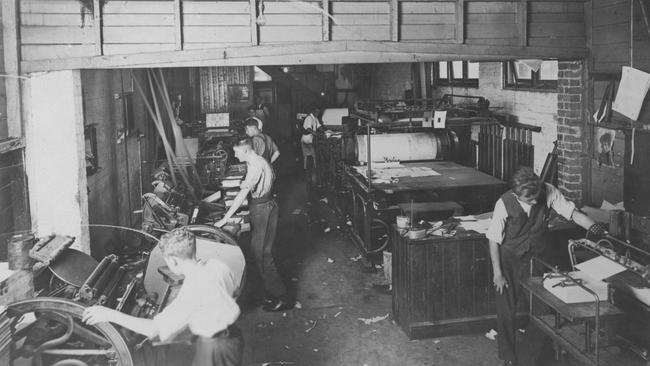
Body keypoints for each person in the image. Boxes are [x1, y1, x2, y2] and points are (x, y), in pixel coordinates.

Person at [486, 166, 606, 366]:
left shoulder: (548, 191)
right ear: (516, 196)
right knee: (506, 310)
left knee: (544, 311)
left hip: (537, 259)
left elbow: (572, 213)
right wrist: (497, 273)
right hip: (510, 260)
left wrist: (595, 229)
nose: (535, 202)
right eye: (529, 200)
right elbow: (493, 240)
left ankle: (527, 358)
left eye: (536, 197)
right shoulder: (504, 203)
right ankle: (507, 357)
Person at [82, 227, 243, 366]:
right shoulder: (217, 265)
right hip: (233, 336)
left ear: (173, 261)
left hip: (216, 347)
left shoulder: (192, 289)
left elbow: (154, 329)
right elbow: (233, 291)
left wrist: (109, 314)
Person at [215, 138, 292, 312]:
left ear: (247, 151)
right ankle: (270, 292)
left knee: (262, 254)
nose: (234, 155)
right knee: (260, 251)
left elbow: (243, 194)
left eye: (237, 152)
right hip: (265, 206)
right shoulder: (257, 161)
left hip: (262, 209)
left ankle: (282, 297)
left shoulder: (256, 165)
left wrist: (226, 218)